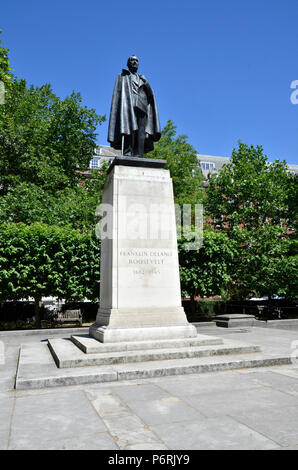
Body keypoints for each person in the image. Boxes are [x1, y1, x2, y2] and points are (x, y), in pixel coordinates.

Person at [108, 55, 161, 157]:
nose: (135, 62)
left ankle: (139, 154)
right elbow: (117, 95)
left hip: (142, 106)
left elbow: (151, 95)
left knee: (141, 132)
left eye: (136, 61)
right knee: (130, 129)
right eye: (132, 60)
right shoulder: (122, 77)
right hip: (128, 106)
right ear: (128, 63)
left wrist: (146, 83)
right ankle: (128, 152)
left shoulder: (142, 78)